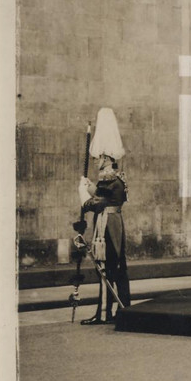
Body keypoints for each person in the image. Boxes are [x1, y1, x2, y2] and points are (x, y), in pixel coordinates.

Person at [78, 108, 131, 324]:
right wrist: (90, 186)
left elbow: (98, 203)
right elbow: (102, 196)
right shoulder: (114, 180)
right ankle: (118, 309)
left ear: (107, 159)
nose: (97, 160)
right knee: (113, 269)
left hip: (108, 226)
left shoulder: (111, 181)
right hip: (111, 224)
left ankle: (108, 313)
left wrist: (83, 196)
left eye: (100, 157)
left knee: (108, 269)